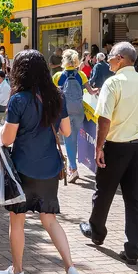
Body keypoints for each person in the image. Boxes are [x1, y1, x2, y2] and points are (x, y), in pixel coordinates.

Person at [0, 50, 80, 274]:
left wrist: (0, 133)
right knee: (49, 219)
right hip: (50, 167)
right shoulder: (56, 96)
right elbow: (66, 131)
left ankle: (18, 271)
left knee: (17, 220)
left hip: (22, 169)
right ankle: (70, 268)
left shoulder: (18, 99)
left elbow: (8, 138)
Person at [79, 42, 138, 264]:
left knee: (104, 191)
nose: (108, 61)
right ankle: (133, 248)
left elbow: (104, 119)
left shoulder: (113, 83)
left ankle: (96, 231)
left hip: (116, 146)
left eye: (111, 57)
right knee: (136, 199)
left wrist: (98, 147)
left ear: (122, 59)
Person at [53, 49, 90, 182]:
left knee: (69, 138)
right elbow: (90, 91)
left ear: (64, 60)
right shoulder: (81, 75)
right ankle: (73, 166)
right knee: (74, 137)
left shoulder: (58, 75)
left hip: (65, 111)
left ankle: (73, 169)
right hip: (79, 110)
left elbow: (52, 94)